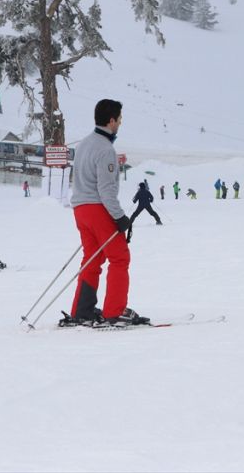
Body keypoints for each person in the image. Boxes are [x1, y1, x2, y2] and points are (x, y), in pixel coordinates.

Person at [62, 99, 148, 327]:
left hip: (80, 208)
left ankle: (82, 310)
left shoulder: (84, 144)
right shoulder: (105, 149)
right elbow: (106, 189)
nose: (120, 123)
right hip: (98, 208)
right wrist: (120, 217)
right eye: (119, 119)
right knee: (120, 257)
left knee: (93, 257)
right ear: (111, 121)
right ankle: (115, 311)